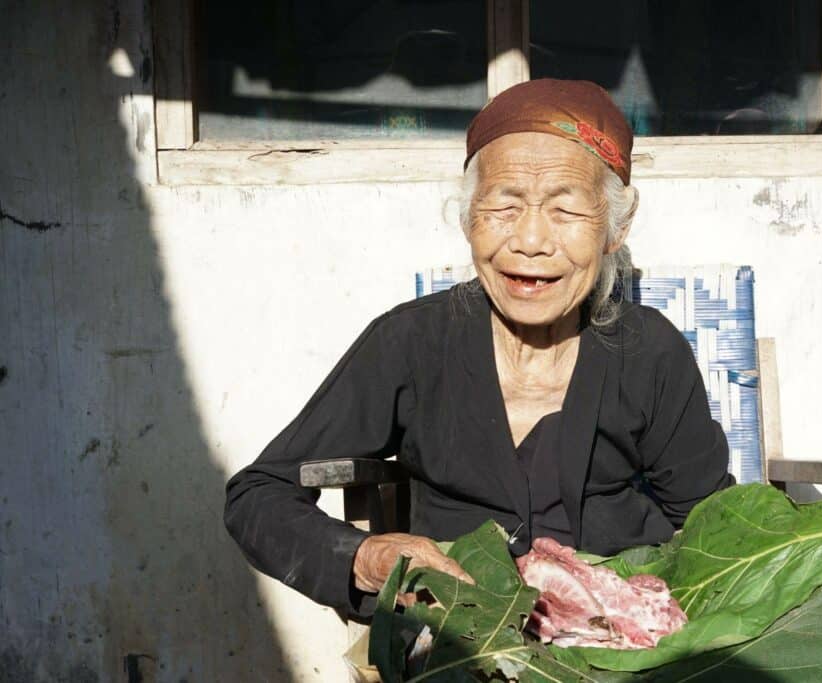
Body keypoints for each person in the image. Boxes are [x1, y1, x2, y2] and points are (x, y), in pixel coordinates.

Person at [224, 79, 732, 621]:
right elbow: (258, 494)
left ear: (612, 229)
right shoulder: (411, 344)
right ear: (468, 220)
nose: (531, 240)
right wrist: (365, 557)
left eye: (565, 212)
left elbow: (713, 523)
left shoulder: (649, 352)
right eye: (505, 207)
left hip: (618, 639)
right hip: (460, 639)